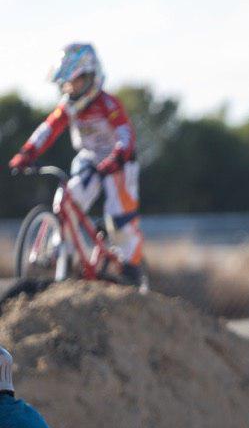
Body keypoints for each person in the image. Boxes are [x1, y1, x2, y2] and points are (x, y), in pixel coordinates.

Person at [7, 43, 146, 285]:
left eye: (75, 82)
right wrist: (27, 152)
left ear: (91, 77)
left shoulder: (108, 104)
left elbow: (125, 132)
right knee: (67, 200)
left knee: (119, 220)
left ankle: (131, 267)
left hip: (119, 161)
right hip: (89, 157)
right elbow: (48, 128)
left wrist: (119, 155)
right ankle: (61, 251)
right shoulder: (69, 107)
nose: (70, 89)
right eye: (67, 84)